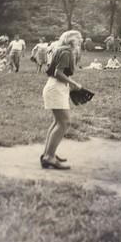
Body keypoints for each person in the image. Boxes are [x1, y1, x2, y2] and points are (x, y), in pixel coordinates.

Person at [41, 30, 83, 170]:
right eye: (79, 39)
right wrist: (74, 84)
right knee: (64, 122)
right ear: (72, 41)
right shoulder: (66, 52)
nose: (81, 41)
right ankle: (49, 157)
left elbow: (57, 72)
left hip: (55, 87)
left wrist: (69, 83)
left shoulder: (61, 50)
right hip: (56, 88)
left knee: (58, 122)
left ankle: (48, 153)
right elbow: (57, 73)